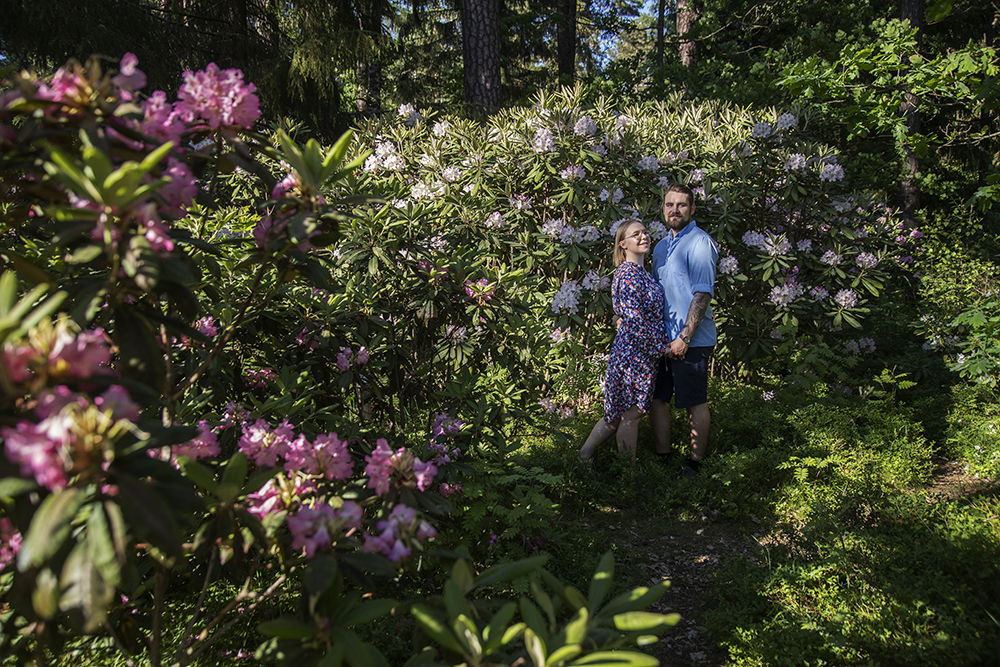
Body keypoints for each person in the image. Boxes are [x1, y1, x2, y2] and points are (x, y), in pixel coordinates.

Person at [579, 219, 669, 462]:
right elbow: (635, 322)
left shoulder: (642, 274)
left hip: (641, 353)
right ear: (623, 244)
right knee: (632, 413)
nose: (643, 237)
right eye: (635, 234)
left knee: (618, 413)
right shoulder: (628, 274)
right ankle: (628, 479)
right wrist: (662, 348)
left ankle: (585, 456)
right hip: (634, 354)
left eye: (645, 232)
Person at [648, 183, 719, 477]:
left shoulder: (700, 243)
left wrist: (684, 338)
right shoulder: (661, 247)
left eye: (681, 205)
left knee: (694, 402)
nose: (674, 210)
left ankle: (694, 465)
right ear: (663, 208)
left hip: (692, 341)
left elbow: (702, 295)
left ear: (692, 209)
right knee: (657, 399)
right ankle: (662, 458)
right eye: (669, 204)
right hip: (662, 341)